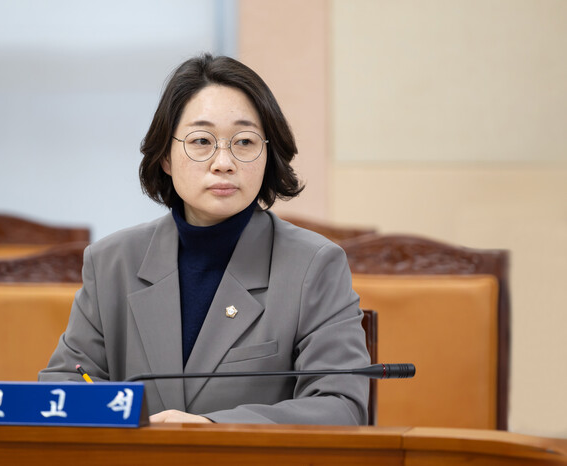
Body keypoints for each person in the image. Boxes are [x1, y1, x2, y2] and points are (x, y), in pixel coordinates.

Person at [39, 53, 370, 424]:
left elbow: (340, 405)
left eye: (244, 142)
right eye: (201, 141)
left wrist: (216, 428)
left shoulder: (313, 265)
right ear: (165, 156)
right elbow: (64, 388)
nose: (223, 162)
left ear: (267, 155)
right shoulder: (111, 262)